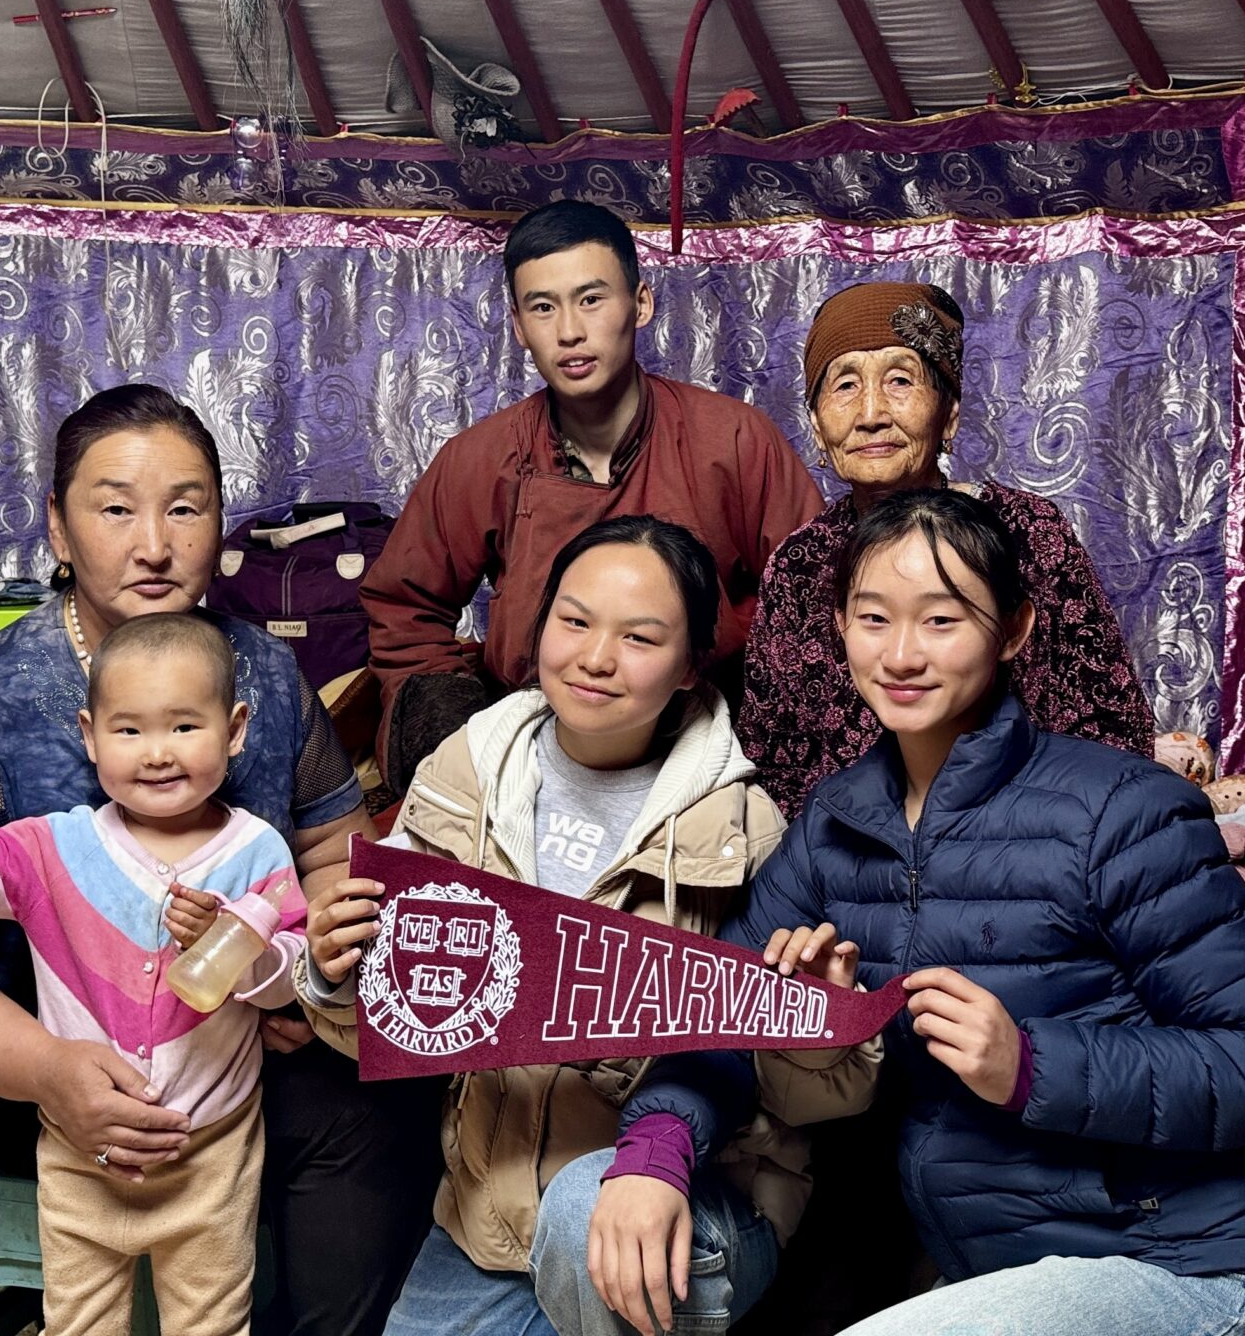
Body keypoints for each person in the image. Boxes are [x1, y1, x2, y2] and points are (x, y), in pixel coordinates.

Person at [623, 489, 1245, 1335]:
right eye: (874, 617)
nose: (902, 654)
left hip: (1191, 1264)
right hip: (985, 1276)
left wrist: (1030, 1066)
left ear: (1015, 630)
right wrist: (657, 1146)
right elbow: (719, 1008)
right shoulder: (833, 824)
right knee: (597, 1218)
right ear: (840, 626)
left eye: (942, 620)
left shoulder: (1120, 808)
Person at [0, 384, 442, 1336]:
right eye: (115, 507)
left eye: (186, 505)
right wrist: (48, 1070)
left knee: (379, 1106)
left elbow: (335, 857)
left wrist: (305, 978)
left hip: (236, 1050)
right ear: (58, 526)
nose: (155, 544)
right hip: (37, 1068)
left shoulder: (261, 676)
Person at [304, 517, 875, 1336]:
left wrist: (814, 1029)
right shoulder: (461, 775)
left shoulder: (743, 827)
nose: (596, 656)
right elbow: (394, 1027)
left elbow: (802, 1092)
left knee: (582, 1210)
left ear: (688, 668)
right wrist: (333, 975)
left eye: (640, 637)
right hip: (488, 1218)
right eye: (574, 621)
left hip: (691, 1204)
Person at [0, 613, 305, 1336]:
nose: (157, 753)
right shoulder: (54, 847)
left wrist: (240, 945)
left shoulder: (257, 852)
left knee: (214, 1323)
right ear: (90, 736)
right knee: (79, 1322)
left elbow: (286, 981)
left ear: (234, 730)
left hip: (212, 1156)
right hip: (82, 1154)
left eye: (184, 727)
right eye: (129, 729)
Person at [362, 199, 823, 793]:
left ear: (641, 302)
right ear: (518, 325)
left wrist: (735, 699)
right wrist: (458, 735)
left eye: (591, 298)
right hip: (535, 738)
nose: (570, 331)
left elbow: (812, 593)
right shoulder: (480, 458)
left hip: (706, 733)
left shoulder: (732, 439)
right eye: (543, 307)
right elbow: (403, 609)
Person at [739, 280, 1152, 821]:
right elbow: (771, 757)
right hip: (848, 856)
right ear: (817, 426)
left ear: (950, 414)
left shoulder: (1026, 533)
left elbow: (1109, 726)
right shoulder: (801, 563)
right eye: (844, 385)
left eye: (900, 380)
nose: (870, 414)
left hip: (1024, 847)